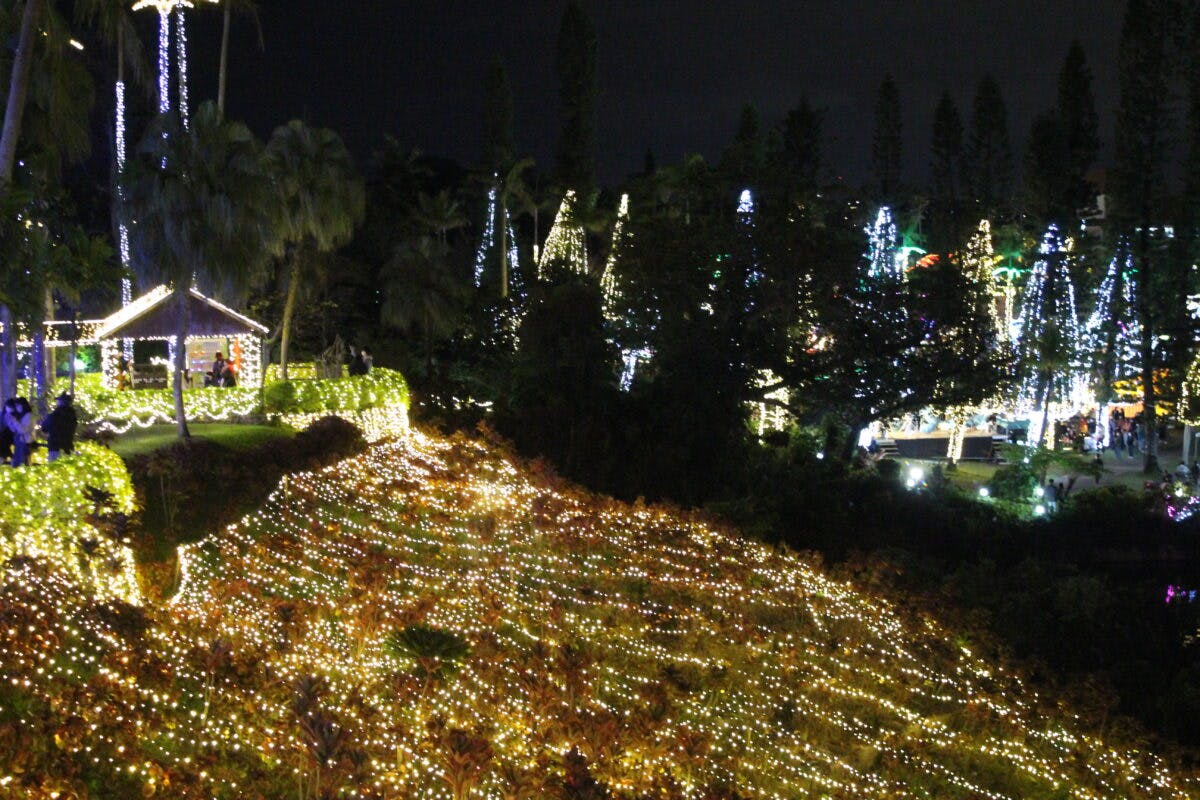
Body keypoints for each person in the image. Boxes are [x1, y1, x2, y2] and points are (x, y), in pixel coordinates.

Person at [40, 393, 77, 462]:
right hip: (68, 446)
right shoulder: (73, 416)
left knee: (53, 467)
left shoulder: (54, 415)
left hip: (55, 446)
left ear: (60, 402)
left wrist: (43, 422)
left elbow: (44, 428)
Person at [8, 398, 35, 468]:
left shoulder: (28, 416)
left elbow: (23, 430)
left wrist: (15, 422)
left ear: (22, 405)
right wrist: (11, 422)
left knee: (23, 464)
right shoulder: (21, 415)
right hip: (19, 443)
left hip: (25, 443)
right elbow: (15, 430)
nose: (17, 408)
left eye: (18, 405)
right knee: (17, 464)